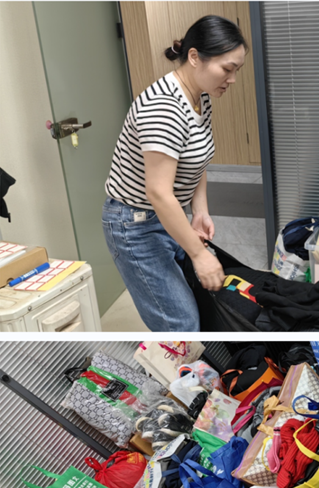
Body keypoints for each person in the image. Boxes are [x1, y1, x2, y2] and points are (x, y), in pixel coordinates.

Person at [102, 16, 247, 331]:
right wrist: (199, 255)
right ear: (194, 57)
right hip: (135, 223)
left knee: (200, 303)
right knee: (180, 322)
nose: (233, 79)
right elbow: (158, 192)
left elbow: (196, 160)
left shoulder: (199, 95)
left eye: (237, 70)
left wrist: (200, 210)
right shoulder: (163, 107)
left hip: (168, 213)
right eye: (227, 69)